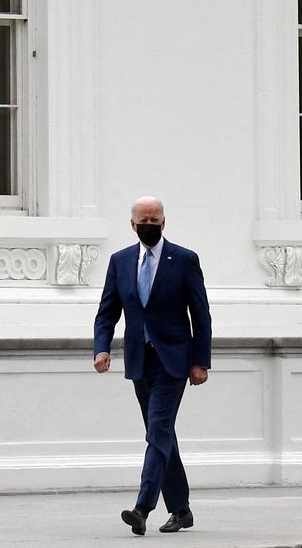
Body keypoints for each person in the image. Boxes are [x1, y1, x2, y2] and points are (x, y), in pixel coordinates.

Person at [92, 196, 212, 536]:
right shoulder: (120, 261)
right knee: (162, 436)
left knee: (157, 431)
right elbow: (107, 311)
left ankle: (142, 507)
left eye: (154, 219)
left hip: (174, 361)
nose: (149, 225)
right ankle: (181, 510)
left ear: (163, 222)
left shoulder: (184, 260)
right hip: (139, 361)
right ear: (132, 224)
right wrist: (102, 348)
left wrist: (201, 361)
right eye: (143, 220)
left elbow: (200, 315)